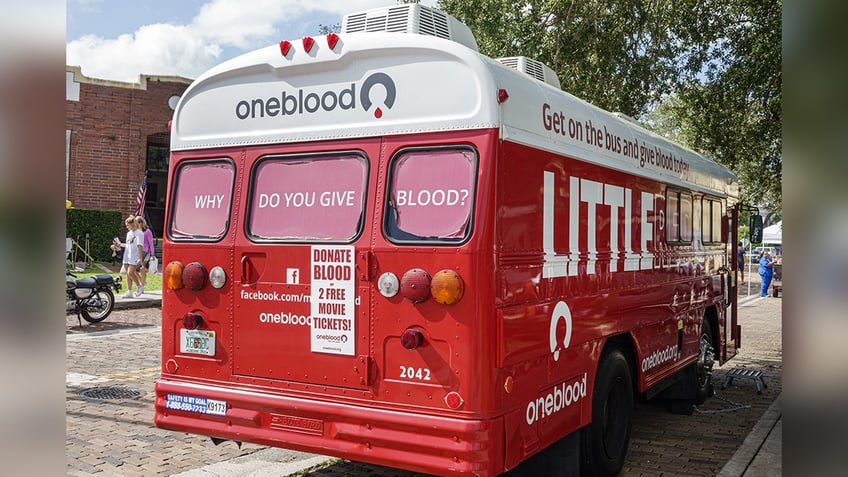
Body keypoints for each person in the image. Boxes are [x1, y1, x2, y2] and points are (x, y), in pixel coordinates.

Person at [118, 215, 144, 298]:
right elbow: (128, 244)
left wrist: (140, 257)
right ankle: (129, 291)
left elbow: (140, 246)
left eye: (128, 225)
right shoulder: (129, 233)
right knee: (127, 274)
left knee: (130, 272)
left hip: (134, 255)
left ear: (132, 224)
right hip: (127, 255)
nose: (127, 227)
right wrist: (119, 245)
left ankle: (139, 286)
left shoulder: (139, 233)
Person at [136, 216, 155, 294]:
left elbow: (151, 243)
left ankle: (142, 286)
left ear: (141, 223)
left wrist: (152, 254)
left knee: (142, 268)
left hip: (145, 251)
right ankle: (142, 281)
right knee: (133, 269)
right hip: (138, 251)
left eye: (137, 223)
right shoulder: (136, 231)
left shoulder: (147, 231)